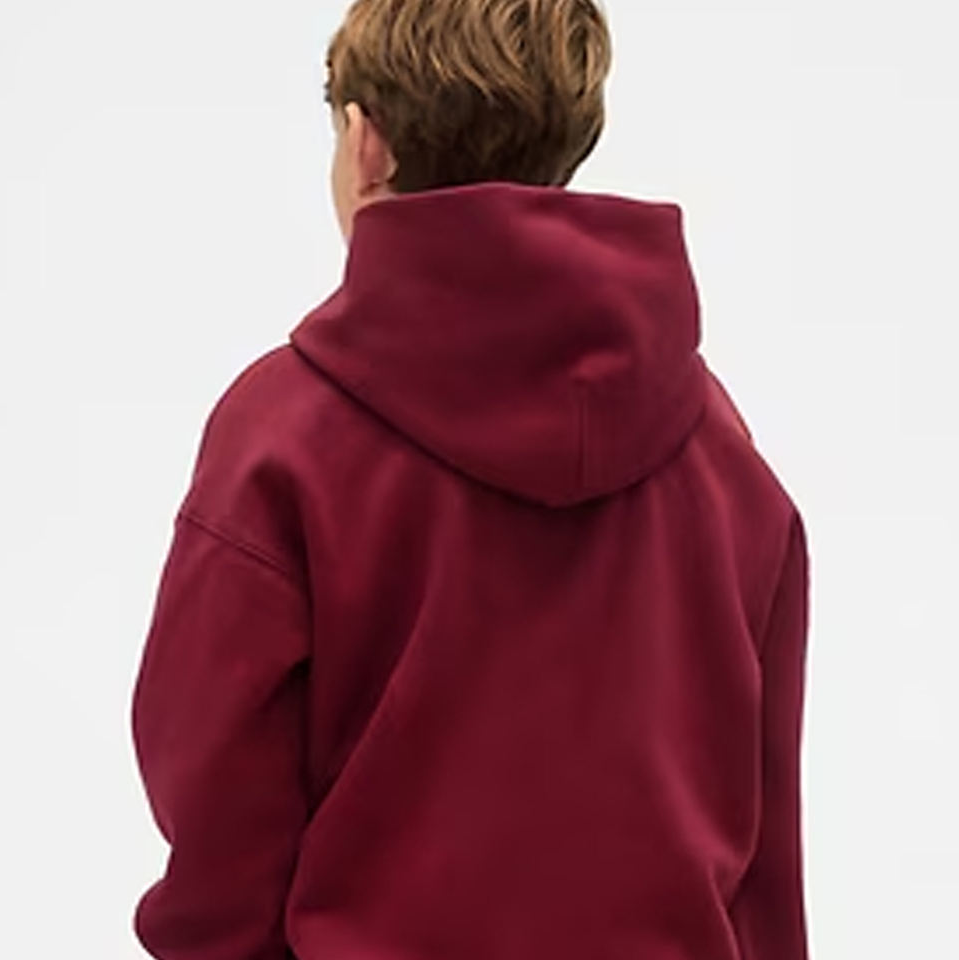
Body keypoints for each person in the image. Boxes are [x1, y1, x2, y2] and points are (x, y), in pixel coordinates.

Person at [130, 1, 812, 958]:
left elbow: (220, 823)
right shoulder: (722, 457)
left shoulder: (282, 435)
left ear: (366, 144)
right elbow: (763, 863)